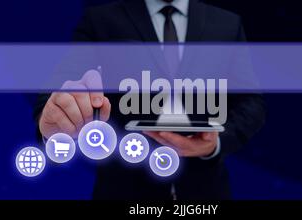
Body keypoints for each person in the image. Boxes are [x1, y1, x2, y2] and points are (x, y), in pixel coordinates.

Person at [34, 0, 266, 199]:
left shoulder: (227, 23)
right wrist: (56, 119)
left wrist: (215, 144)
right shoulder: (100, 20)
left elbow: (251, 103)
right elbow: (63, 89)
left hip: (205, 192)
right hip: (124, 188)